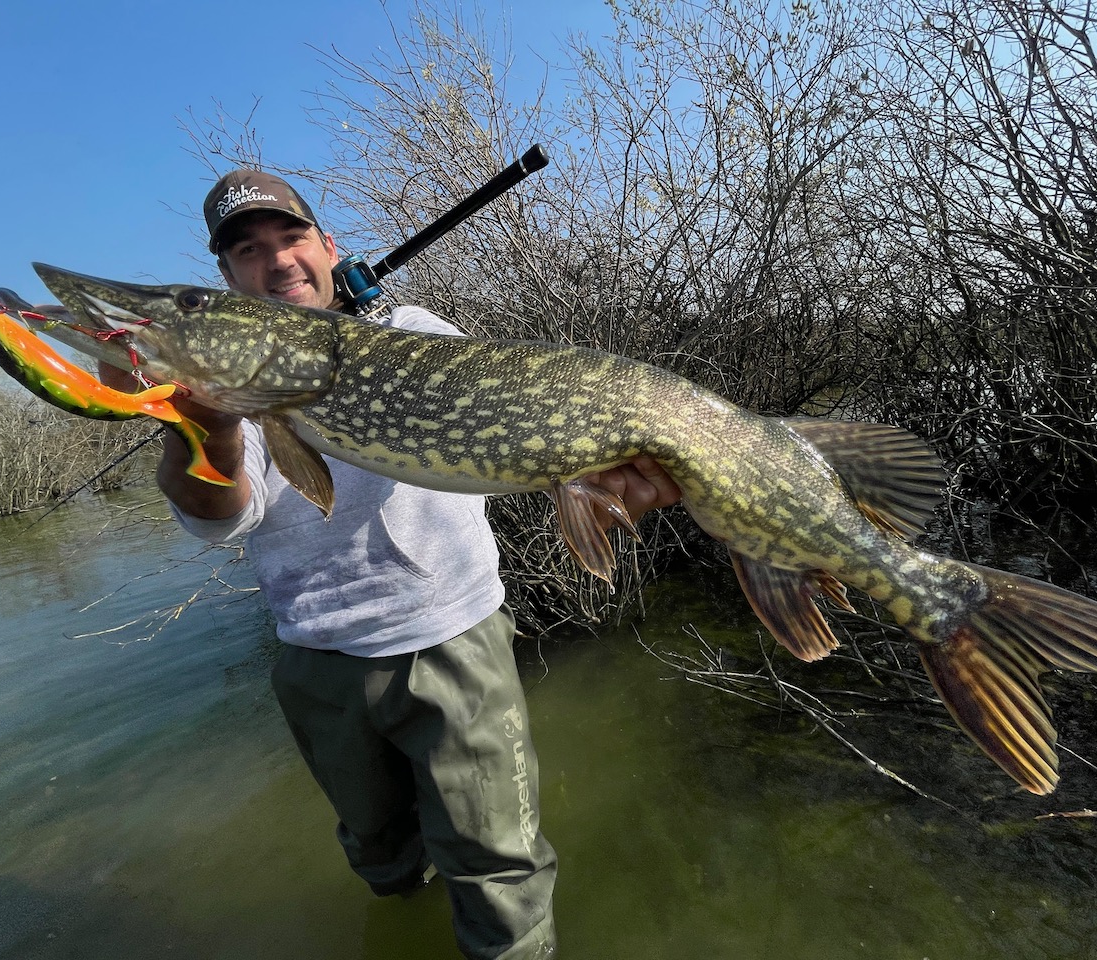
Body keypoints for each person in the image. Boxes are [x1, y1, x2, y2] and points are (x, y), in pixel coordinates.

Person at [104, 169, 680, 959]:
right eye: (248, 251)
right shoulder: (231, 387)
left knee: (498, 880)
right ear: (229, 278)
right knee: (383, 862)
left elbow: (516, 432)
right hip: (318, 663)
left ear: (328, 247)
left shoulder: (411, 329)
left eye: (291, 238)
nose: (276, 262)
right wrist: (189, 424)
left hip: (451, 641)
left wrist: (600, 476)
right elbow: (222, 518)